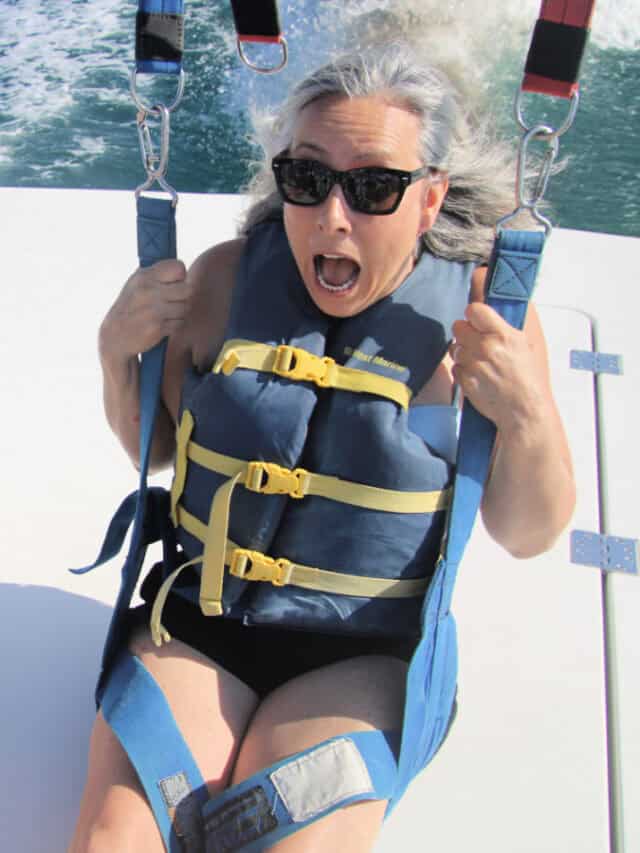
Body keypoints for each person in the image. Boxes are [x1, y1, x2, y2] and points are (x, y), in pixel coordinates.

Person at [69, 43, 575, 852]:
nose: (332, 217)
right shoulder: (223, 282)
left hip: (361, 656)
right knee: (110, 841)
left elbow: (529, 532)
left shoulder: (482, 322)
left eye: (374, 187)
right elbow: (160, 450)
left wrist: (527, 414)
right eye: (306, 180)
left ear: (430, 197)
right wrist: (114, 357)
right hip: (202, 622)